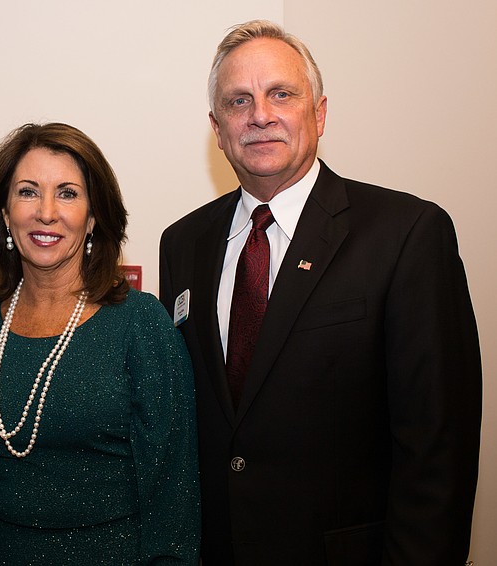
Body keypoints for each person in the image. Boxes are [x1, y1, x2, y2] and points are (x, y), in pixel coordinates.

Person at [159, 20, 481, 566]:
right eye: (239, 101)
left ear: (320, 112)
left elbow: (437, 449)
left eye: (280, 94)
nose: (260, 114)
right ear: (217, 129)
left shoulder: (407, 233)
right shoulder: (182, 243)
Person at [0, 123, 200, 564]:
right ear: (5, 214)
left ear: (92, 218)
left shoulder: (139, 322)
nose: (46, 212)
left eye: (67, 193)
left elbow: (173, 488)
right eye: (28, 192)